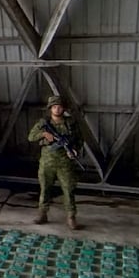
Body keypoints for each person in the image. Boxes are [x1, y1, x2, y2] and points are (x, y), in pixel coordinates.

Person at [27, 94, 84, 229]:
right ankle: (42, 213)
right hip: (47, 162)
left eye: (59, 107)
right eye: (54, 107)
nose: (57, 109)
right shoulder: (43, 123)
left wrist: (74, 150)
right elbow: (31, 137)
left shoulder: (70, 123)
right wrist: (43, 134)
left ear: (63, 109)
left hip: (65, 163)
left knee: (68, 189)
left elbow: (80, 139)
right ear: (50, 109)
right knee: (45, 189)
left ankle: (71, 217)